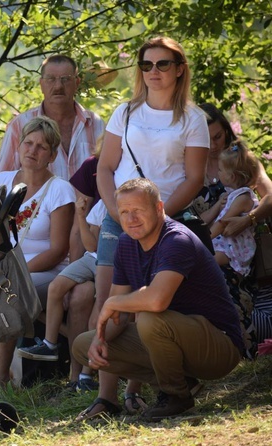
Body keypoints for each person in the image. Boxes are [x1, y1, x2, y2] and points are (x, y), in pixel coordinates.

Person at [88, 36, 210, 419]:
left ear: (179, 69)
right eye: (146, 65)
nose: (153, 72)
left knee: (152, 306)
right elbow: (105, 168)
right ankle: (106, 398)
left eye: (162, 64)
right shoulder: (124, 112)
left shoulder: (194, 119)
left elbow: (194, 179)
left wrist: (157, 218)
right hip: (118, 215)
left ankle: (154, 389)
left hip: (167, 218)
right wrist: (117, 211)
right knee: (108, 299)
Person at [73, 178, 244, 421]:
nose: (131, 219)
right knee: (83, 345)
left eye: (138, 211)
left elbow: (156, 301)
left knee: (149, 318)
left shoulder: (177, 239)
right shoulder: (125, 244)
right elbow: (118, 315)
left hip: (218, 347)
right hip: (172, 337)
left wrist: (112, 304)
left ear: (159, 209)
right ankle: (182, 383)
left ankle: (175, 396)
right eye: (124, 212)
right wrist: (100, 338)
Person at [0, 116, 75, 389]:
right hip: (1, 271)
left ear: (52, 155)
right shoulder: (2, 180)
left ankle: (0, 386)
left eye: (41, 147)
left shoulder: (60, 189)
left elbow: (59, 250)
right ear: (19, 145)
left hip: (46, 271)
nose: (32, 151)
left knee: (5, 296)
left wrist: (12, 273)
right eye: (28, 143)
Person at [16, 198, 106, 391]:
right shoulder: (102, 205)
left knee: (96, 316)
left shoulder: (131, 205)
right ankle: (49, 343)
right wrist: (81, 216)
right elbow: (92, 246)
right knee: (55, 288)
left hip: (111, 265)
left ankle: (86, 375)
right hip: (93, 258)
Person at [0, 55, 104, 182]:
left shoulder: (96, 124)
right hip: (38, 202)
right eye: (50, 79)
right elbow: (0, 182)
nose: (58, 86)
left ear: (77, 83)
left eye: (65, 79)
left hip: (90, 202)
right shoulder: (20, 125)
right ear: (41, 84)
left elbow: (110, 173)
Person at [203, 141, 259, 275]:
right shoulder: (231, 193)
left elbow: (223, 223)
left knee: (206, 260)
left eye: (220, 170)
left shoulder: (243, 198)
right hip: (224, 241)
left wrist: (204, 241)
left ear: (231, 176)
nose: (218, 172)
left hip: (233, 247)